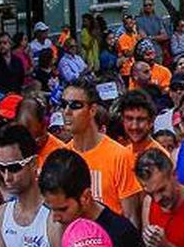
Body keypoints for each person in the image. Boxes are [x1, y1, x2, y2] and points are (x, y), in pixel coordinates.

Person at [39, 148, 153, 247]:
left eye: (63, 209)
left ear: (85, 197)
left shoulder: (120, 237)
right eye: (49, 208)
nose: (55, 217)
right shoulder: (65, 226)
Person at [61, 80, 142, 220]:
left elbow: (131, 217)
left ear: (92, 110)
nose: (67, 112)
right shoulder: (62, 156)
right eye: (63, 105)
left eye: (75, 105)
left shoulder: (120, 156)